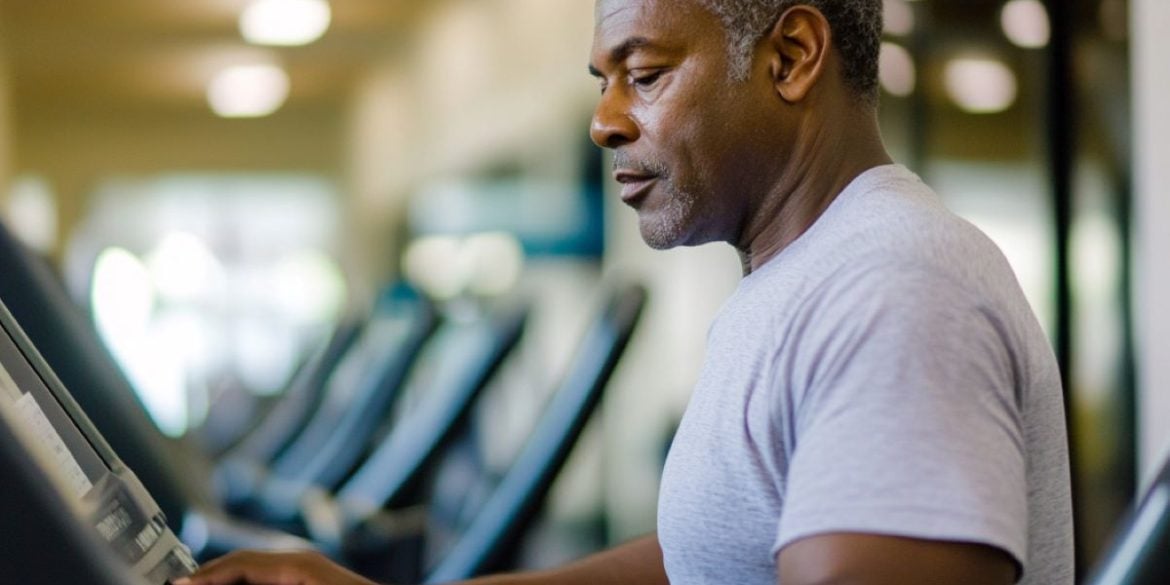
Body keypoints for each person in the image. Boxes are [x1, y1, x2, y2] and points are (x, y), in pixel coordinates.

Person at [178, 0, 1075, 583]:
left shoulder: (893, 291)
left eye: (644, 77)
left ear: (792, 56)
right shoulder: (795, 283)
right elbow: (701, 561)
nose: (606, 121)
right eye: (604, 83)